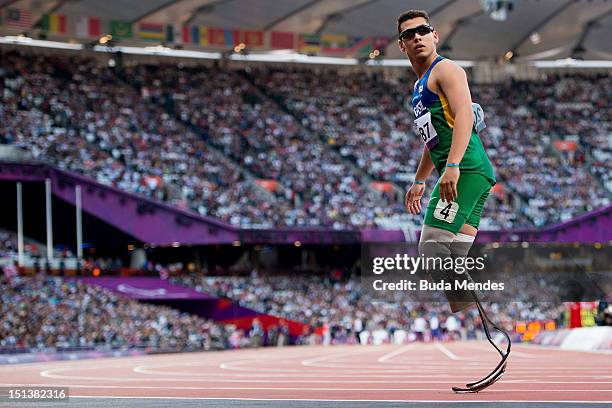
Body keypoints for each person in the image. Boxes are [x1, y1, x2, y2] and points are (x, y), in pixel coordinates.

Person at [398, 9, 510, 393]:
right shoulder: (418, 89)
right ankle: (486, 325)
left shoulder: (448, 71)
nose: (417, 37)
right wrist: (418, 180)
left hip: (466, 172)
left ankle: (487, 322)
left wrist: (454, 166)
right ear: (401, 45)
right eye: (409, 34)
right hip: (465, 174)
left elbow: (463, 115)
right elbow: (433, 139)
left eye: (423, 31)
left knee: (431, 248)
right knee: (452, 258)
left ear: (435, 37)